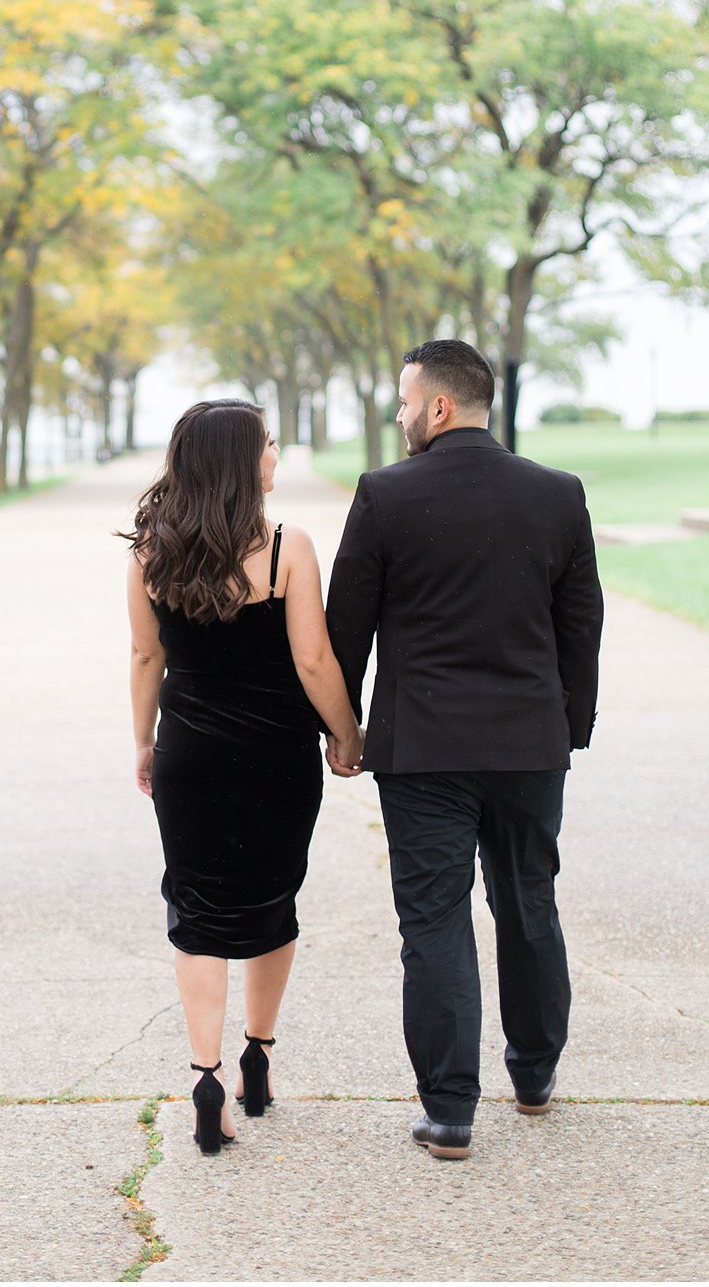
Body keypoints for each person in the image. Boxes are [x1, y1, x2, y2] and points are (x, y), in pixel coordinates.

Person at [325, 339, 605, 1161]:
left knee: (433, 919)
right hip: (527, 745)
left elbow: (347, 630)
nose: (401, 415)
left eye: (406, 401)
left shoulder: (383, 494)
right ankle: (534, 1074)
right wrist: (568, 727)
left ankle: (448, 1111)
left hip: (422, 751)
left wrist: (342, 730)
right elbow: (579, 626)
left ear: (439, 407)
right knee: (527, 901)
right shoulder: (557, 494)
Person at [124, 399, 364, 1155]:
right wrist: (346, 734)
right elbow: (313, 661)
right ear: (236, 460)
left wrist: (143, 742)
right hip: (276, 756)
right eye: (266, 444)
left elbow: (144, 658)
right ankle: (257, 1061)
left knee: (194, 910)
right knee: (271, 898)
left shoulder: (148, 552)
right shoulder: (287, 547)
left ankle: (204, 1078)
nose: (275, 454)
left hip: (188, 754)